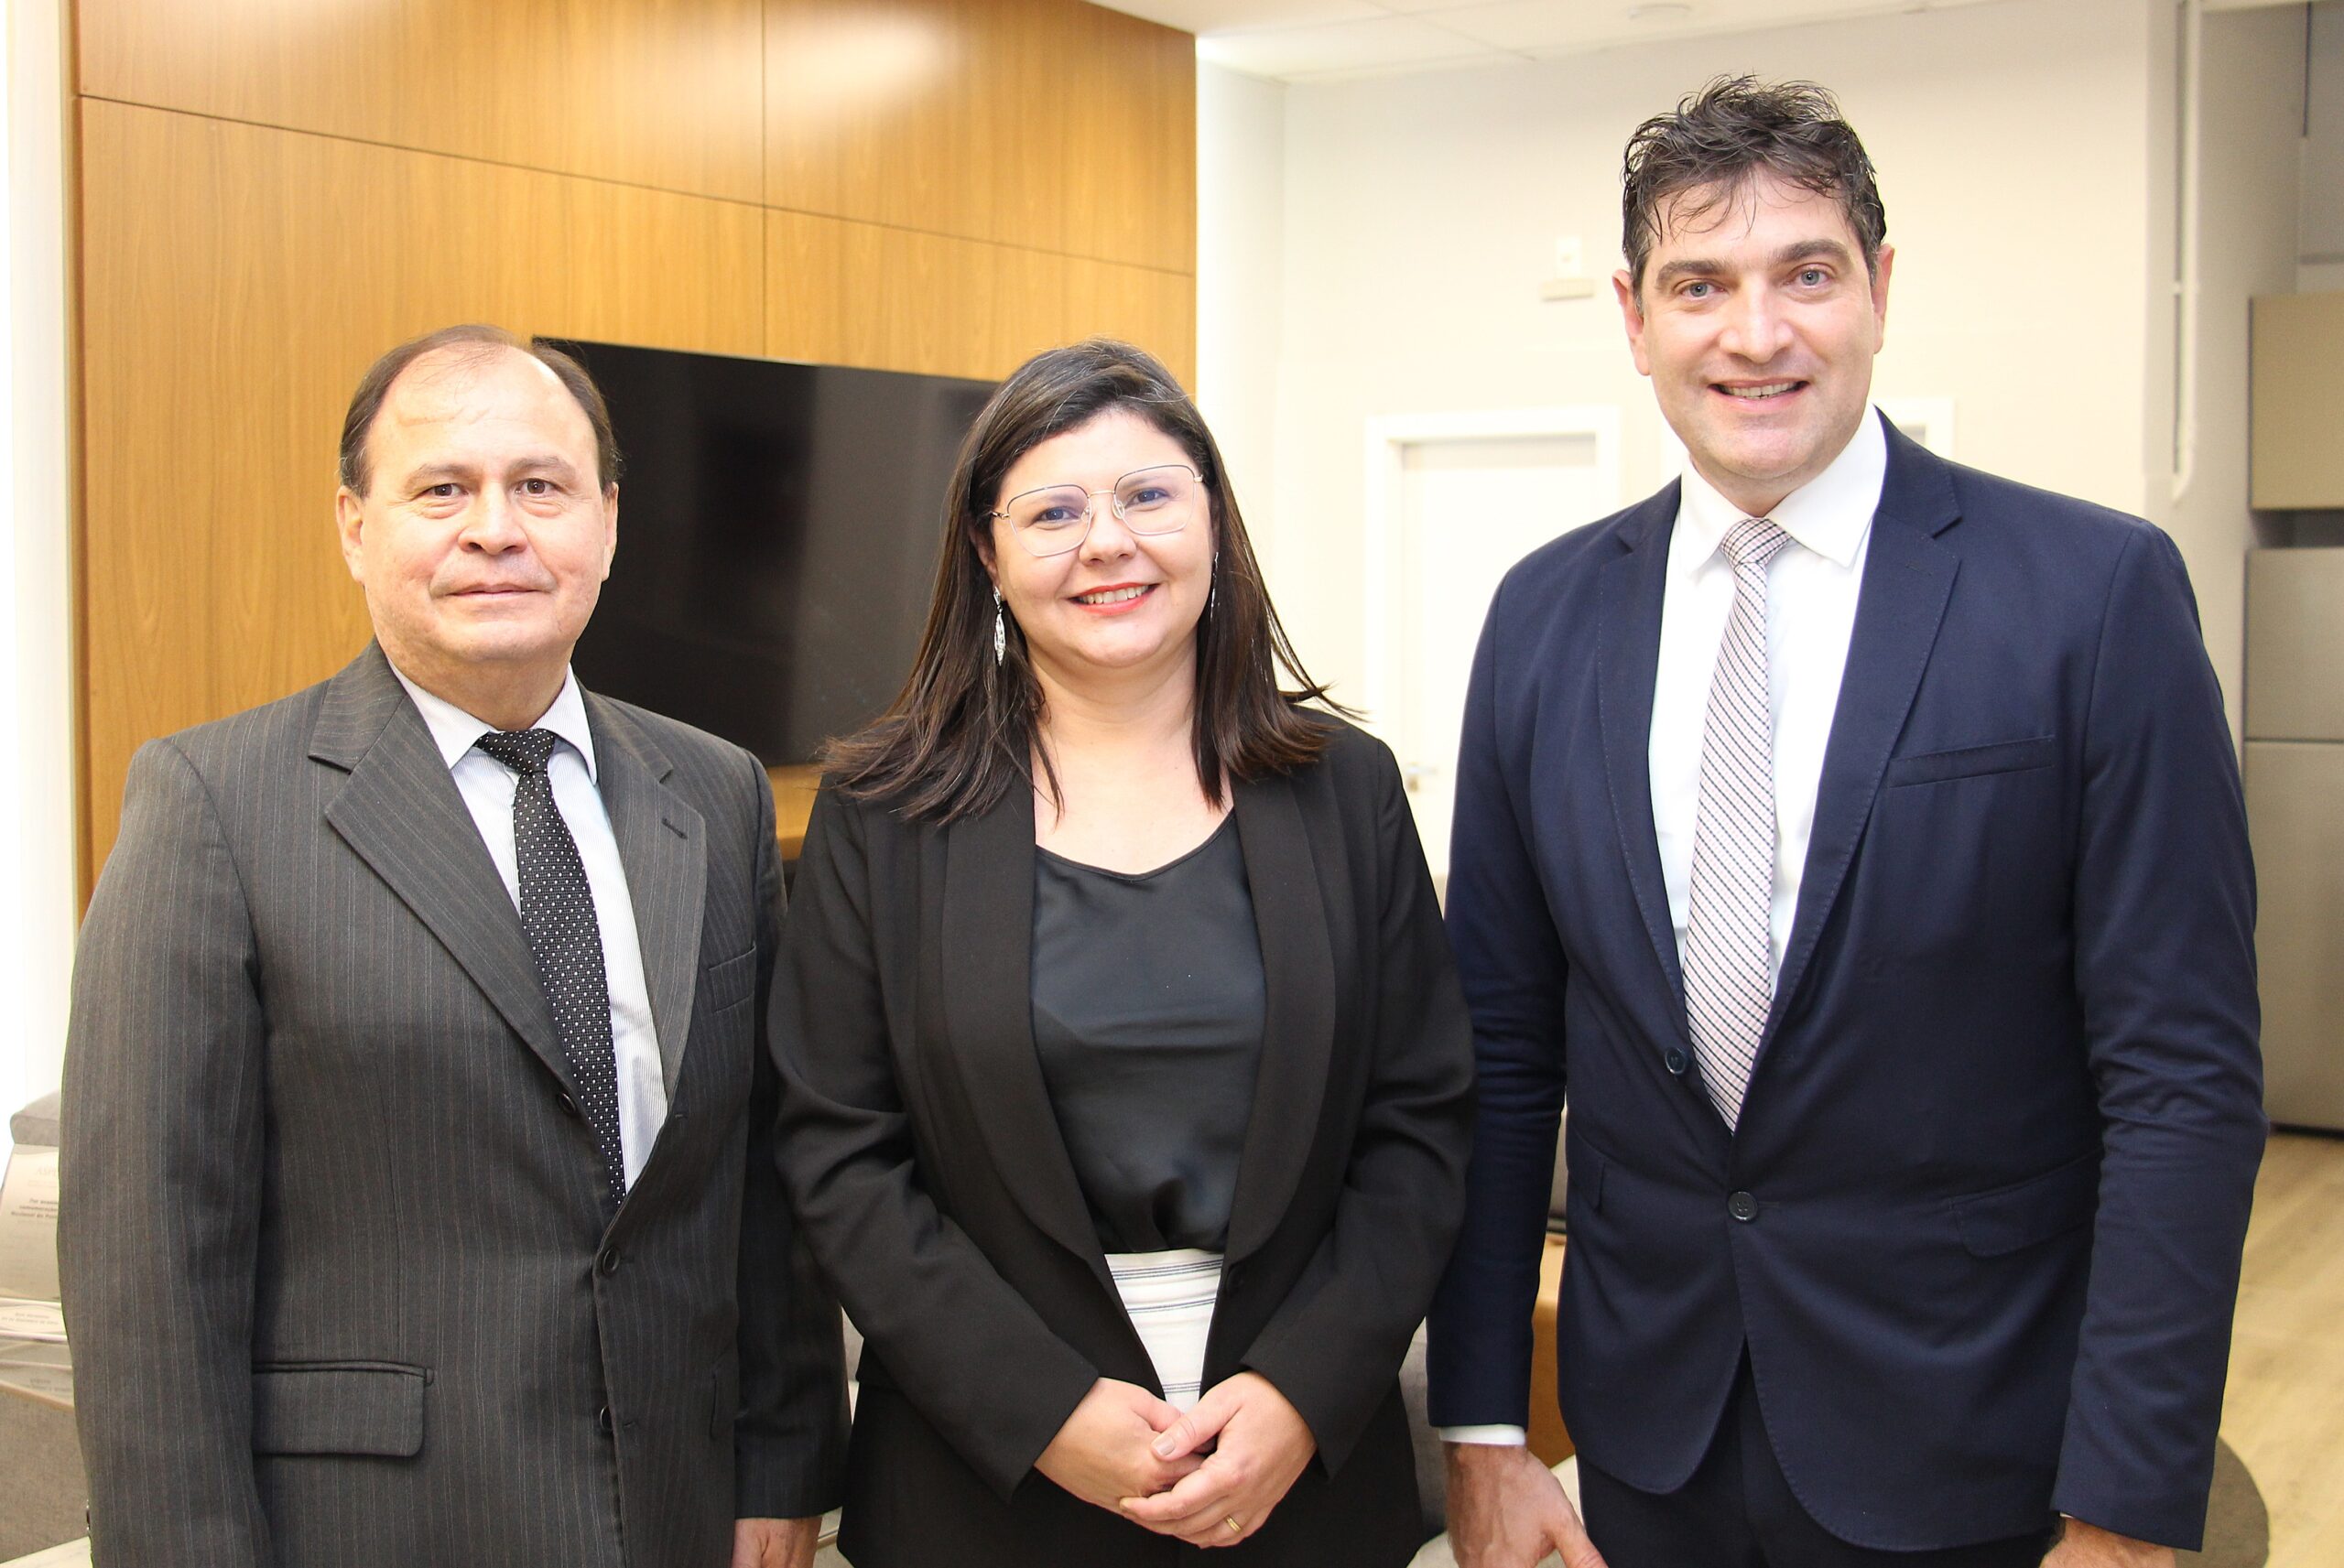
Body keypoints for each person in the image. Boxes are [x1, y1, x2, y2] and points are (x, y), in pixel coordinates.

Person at [1428, 78, 2263, 1568]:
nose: (1755, 334)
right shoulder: (1544, 617)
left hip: (1977, 1441)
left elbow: (2182, 1080)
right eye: (1700, 285)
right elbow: (1497, 1055)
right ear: (1634, 318)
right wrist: (1486, 1423)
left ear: (1880, 288)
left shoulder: (2091, 596)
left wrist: (2130, 1506)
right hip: (1651, 1441)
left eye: (1805, 273)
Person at [59, 325, 847, 1568]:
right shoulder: (216, 802)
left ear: (608, 521)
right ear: (354, 526)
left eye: (540, 485)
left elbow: (755, 1174)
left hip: (681, 1511)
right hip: (374, 1528)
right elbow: (146, 1258)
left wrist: (783, 1457)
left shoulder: (715, 791)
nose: (495, 529)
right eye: (441, 489)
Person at [769, 338, 1475, 1565]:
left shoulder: (1345, 787)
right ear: (986, 553)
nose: (1108, 542)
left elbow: (1420, 1120)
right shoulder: (883, 811)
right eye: (1053, 511)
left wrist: (1302, 1390)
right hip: (981, 1482)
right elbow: (838, 1151)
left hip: (1298, 1481)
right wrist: (1040, 1407)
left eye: (1148, 494)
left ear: (1213, 522)